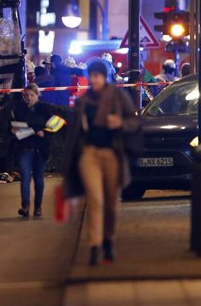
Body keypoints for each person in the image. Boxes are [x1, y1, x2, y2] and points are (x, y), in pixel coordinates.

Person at [63, 61, 140, 266]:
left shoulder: (118, 96)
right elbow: (75, 132)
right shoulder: (84, 101)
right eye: (92, 75)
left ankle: (108, 240)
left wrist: (121, 123)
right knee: (95, 200)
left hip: (112, 154)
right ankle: (95, 246)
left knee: (112, 204)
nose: (95, 79)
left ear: (105, 77)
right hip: (89, 154)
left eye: (98, 75)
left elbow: (134, 121)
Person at [11, 84, 65, 218]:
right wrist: (12, 130)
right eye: (26, 95)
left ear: (37, 95)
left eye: (31, 95)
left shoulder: (45, 109)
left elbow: (55, 125)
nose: (29, 98)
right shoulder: (19, 109)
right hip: (25, 147)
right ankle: (25, 206)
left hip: (41, 148)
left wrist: (44, 132)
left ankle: (38, 207)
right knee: (25, 178)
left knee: (39, 179)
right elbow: (11, 125)